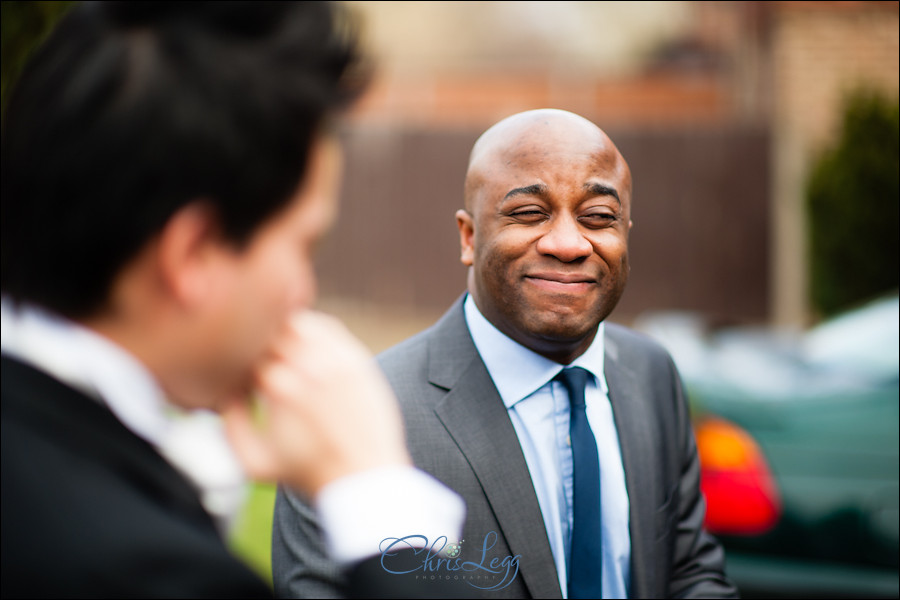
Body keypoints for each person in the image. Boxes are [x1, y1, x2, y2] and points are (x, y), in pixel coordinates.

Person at [0, 3, 464, 598]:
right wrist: (377, 492)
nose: (305, 294)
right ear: (193, 254)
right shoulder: (152, 573)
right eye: (305, 247)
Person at [272, 109, 739, 598]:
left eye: (598, 218)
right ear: (469, 236)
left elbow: (690, 571)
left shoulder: (652, 374)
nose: (567, 243)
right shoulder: (360, 418)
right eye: (530, 214)